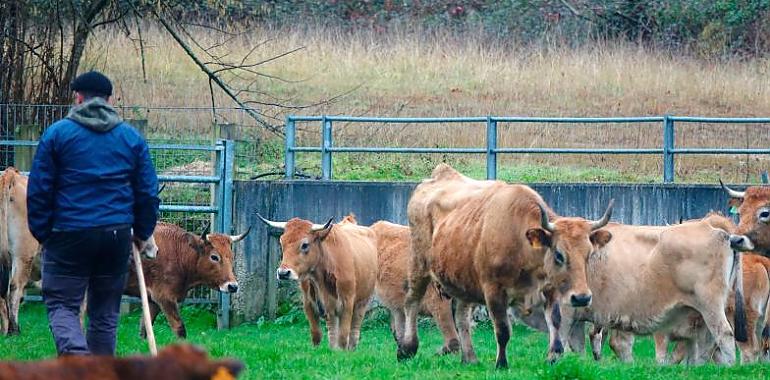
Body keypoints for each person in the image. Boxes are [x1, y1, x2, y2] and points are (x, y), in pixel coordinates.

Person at [27, 71, 159, 356]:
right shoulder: (130, 138)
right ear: (110, 100)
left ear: (77, 97)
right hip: (115, 234)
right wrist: (142, 231)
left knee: (62, 305)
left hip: (68, 233)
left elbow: (38, 190)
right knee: (105, 313)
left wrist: (43, 232)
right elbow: (148, 191)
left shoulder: (57, 134)